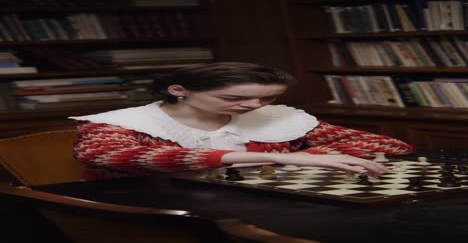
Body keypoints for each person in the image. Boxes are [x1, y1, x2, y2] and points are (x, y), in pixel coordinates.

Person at [69, 62, 413, 180]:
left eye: (267, 98)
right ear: (179, 91)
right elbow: (112, 157)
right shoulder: (117, 123)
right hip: (145, 217)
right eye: (234, 99)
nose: (254, 106)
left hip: (250, 204)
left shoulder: (274, 118)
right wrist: (280, 157)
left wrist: (310, 158)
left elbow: (388, 146)